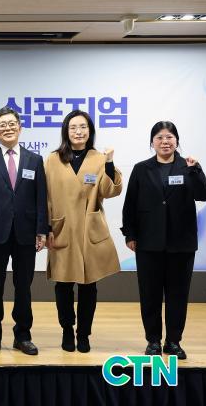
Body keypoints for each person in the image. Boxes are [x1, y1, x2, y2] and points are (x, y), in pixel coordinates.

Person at [121, 121, 206, 360]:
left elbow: (205, 194)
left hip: (181, 243)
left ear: (177, 141)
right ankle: (153, 341)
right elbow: (130, 204)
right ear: (152, 142)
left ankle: (173, 341)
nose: (165, 141)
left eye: (170, 137)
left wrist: (195, 171)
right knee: (149, 294)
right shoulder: (141, 169)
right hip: (148, 241)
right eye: (160, 137)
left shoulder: (188, 166)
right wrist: (130, 234)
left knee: (178, 295)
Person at [45, 110, 122, 353]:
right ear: (66, 132)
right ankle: (67, 329)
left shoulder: (99, 158)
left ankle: (84, 333)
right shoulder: (53, 159)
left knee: (89, 286)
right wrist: (47, 227)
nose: (78, 132)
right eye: (73, 127)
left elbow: (110, 191)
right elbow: (45, 197)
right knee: (63, 285)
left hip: (89, 230)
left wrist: (109, 163)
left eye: (83, 127)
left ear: (90, 131)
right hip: (62, 229)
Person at [0, 107, 48, 356]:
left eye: (11, 124)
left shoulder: (34, 159)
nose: (7, 128)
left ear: (20, 128)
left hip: (26, 232)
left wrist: (42, 230)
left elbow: (41, 197)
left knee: (23, 286)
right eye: (2, 125)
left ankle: (23, 336)